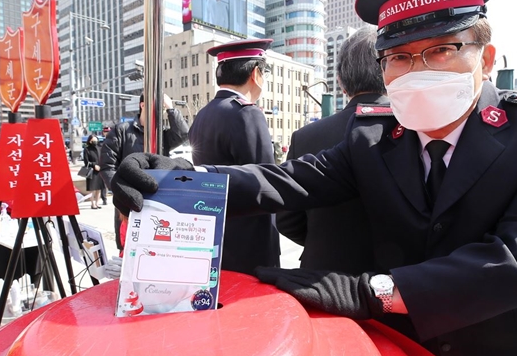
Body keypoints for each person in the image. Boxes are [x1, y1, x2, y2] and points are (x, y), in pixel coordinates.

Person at [111, 0, 517, 356]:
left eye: (442, 50)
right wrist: (181, 178)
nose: (418, 71)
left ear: (485, 59)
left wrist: (371, 292)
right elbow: (289, 181)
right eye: (401, 57)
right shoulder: (374, 137)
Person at [276, 27, 388, 273]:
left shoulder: (305, 137)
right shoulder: (416, 130)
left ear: (340, 80)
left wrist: (324, 245)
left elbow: (287, 220)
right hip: (397, 285)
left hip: (322, 278)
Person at [188, 38, 280, 275]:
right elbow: (266, 182)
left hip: (213, 235)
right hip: (249, 245)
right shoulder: (247, 113)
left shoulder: (203, 114)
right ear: (256, 73)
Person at [100, 92, 189, 250]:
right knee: (129, 248)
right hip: (128, 202)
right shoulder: (121, 131)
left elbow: (182, 134)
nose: (160, 111)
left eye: (162, 108)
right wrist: (122, 192)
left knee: (159, 247)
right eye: (158, 106)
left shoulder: (162, 134)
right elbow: (107, 166)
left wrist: (171, 109)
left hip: (158, 199)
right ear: (143, 105)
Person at [83, 135, 104, 209]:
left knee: (99, 188)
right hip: (91, 170)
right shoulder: (87, 149)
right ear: (90, 141)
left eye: (96, 140)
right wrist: (94, 165)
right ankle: (92, 204)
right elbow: (86, 161)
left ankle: (97, 203)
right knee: (92, 188)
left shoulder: (100, 148)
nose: (95, 142)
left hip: (99, 170)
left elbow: (103, 158)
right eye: (93, 140)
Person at [99, 127, 112, 206]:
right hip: (103, 164)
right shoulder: (101, 143)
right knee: (103, 184)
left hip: (112, 164)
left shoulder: (115, 140)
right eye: (105, 132)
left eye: (108, 132)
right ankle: (104, 198)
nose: (107, 133)